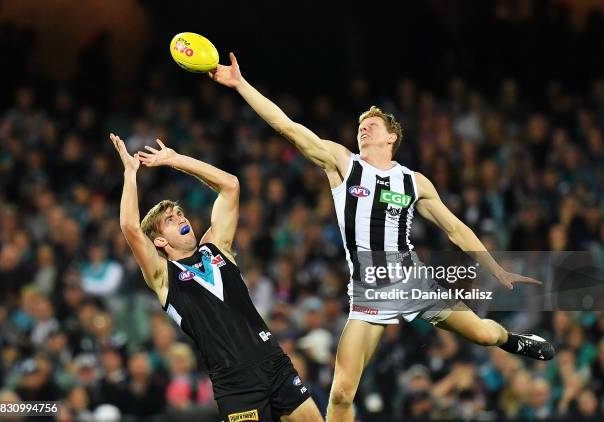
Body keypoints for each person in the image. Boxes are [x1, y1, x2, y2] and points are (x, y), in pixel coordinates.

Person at [209, 53, 556, 422]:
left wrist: (496, 270)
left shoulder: (414, 181)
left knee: (486, 337)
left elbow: (455, 229)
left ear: (392, 136)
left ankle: (516, 340)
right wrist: (240, 84)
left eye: (372, 125)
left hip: (413, 281)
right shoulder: (343, 163)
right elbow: (288, 127)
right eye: (361, 125)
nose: (364, 129)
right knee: (342, 392)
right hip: (369, 292)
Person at [109, 134, 322, 422]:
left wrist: (176, 160)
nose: (181, 219)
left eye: (180, 213)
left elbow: (230, 185)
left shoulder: (216, 248)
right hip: (235, 383)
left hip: (274, 362)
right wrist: (130, 173)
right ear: (159, 241)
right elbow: (130, 227)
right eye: (170, 220)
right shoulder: (163, 276)